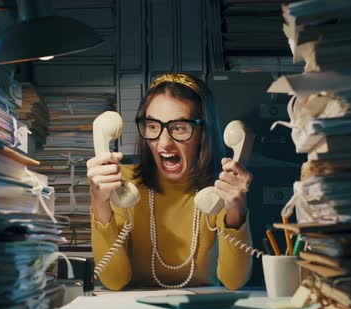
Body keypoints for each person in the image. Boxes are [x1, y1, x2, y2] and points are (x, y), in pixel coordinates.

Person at [87, 73, 253, 290]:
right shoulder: (122, 185)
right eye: (153, 126)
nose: (164, 143)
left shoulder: (220, 188)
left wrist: (236, 209)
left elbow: (234, 281)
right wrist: (100, 203)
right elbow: (113, 280)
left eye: (179, 127)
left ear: (204, 132)